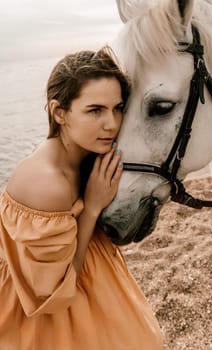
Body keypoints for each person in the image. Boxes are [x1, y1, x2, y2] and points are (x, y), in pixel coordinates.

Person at [0, 46, 163, 350]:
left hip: (84, 271)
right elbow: (49, 293)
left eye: (118, 107)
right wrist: (91, 209)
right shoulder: (48, 183)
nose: (112, 124)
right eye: (95, 110)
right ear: (59, 112)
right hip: (41, 305)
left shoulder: (89, 153)